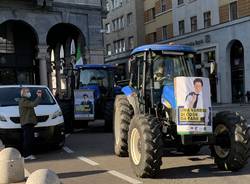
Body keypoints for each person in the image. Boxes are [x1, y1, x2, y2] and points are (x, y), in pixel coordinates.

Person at [19, 88, 42, 160]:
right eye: (27, 92)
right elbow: (34, 104)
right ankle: (26, 155)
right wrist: (38, 96)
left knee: (29, 139)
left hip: (29, 122)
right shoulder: (23, 101)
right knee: (27, 139)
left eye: (29, 91)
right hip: (27, 123)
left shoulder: (26, 100)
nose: (29, 93)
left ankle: (29, 154)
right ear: (23, 94)